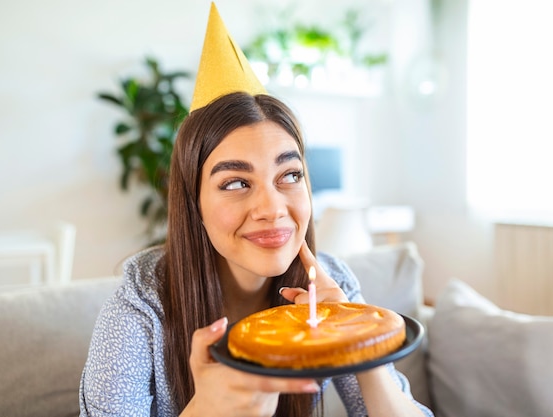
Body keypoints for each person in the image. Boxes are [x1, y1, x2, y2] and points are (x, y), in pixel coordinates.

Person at [80, 4, 433, 417]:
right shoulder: (141, 306)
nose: (272, 208)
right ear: (193, 204)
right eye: (235, 183)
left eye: (289, 176)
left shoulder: (330, 285)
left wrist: (362, 346)